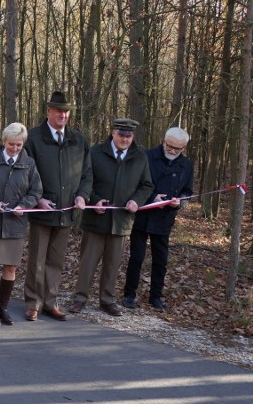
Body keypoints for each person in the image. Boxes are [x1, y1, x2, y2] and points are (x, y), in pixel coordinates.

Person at [68, 118, 153, 316]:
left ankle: (107, 300)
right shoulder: (96, 153)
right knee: (88, 261)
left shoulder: (140, 157)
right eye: (121, 135)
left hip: (121, 220)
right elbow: (85, 180)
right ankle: (80, 297)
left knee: (113, 264)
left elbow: (146, 185)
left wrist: (136, 201)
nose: (124, 139)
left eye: (128, 136)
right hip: (95, 218)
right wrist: (94, 200)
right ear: (113, 133)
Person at [23, 91, 92, 321]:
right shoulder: (33, 138)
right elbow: (26, 174)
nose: (63, 115)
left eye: (66, 111)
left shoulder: (78, 140)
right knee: (37, 260)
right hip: (42, 210)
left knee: (56, 260)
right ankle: (33, 303)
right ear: (48, 111)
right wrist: (37, 199)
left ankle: (50, 302)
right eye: (58, 110)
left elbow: (87, 174)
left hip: (67, 211)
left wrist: (82, 196)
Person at [0, 122, 42, 326]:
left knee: (11, 267)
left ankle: (3, 308)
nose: (14, 149)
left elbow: (36, 191)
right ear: (3, 141)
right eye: (11, 144)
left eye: (19, 145)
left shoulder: (29, 164)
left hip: (16, 224)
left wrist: (24, 205)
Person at [123, 127, 193, 310]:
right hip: (143, 215)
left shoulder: (186, 165)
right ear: (164, 142)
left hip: (165, 218)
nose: (172, 151)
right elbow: (135, 183)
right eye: (169, 146)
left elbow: (188, 191)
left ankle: (156, 296)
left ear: (183, 148)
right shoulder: (146, 156)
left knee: (160, 260)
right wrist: (152, 196)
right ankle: (129, 294)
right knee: (136, 257)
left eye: (177, 149)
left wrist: (179, 203)